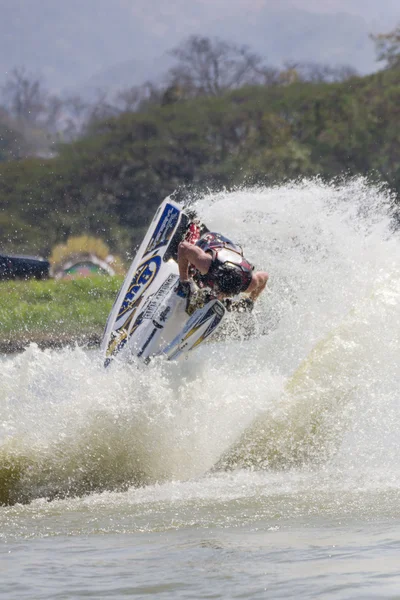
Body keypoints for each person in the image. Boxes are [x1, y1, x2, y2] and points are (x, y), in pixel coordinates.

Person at [176, 231, 268, 311]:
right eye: (219, 291)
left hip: (231, 249)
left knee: (213, 296)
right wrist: (184, 280)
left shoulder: (249, 283)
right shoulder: (206, 264)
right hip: (211, 240)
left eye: (225, 294)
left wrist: (251, 300)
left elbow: (265, 277)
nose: (220, 295)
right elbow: (183, 246)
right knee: (194, 273)